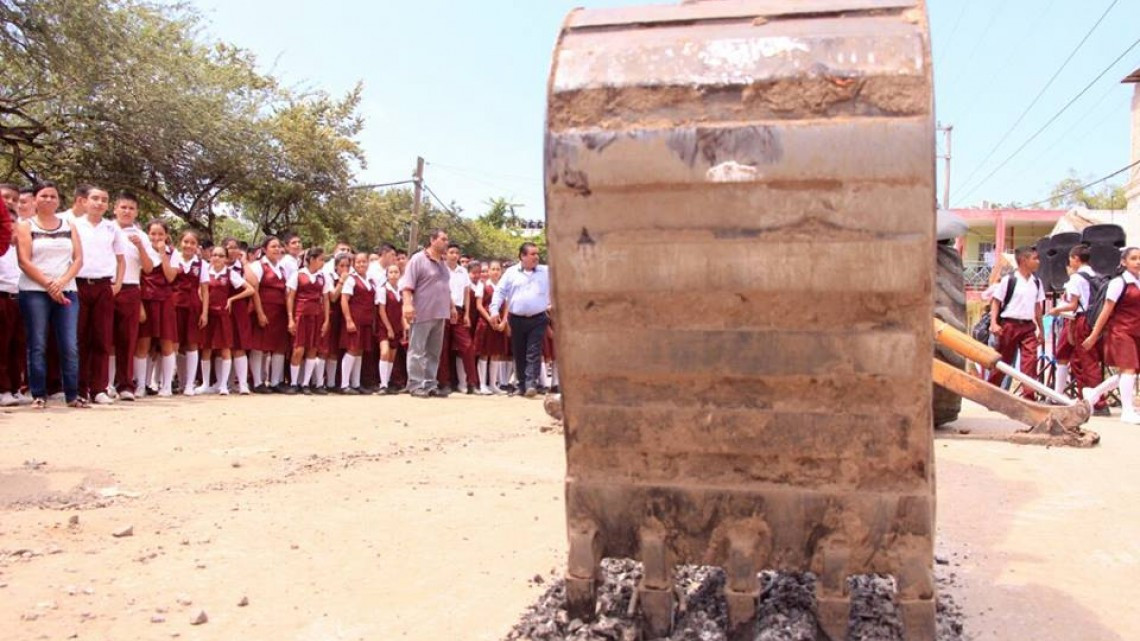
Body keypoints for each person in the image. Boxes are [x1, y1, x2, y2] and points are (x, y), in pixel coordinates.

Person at [15, 181, 84, 408]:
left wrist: (62, 283)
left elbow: (78, 259)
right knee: (37, 343)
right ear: (35, 199)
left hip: (67, 291)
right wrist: (48, 285)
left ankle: (72, 395)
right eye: (43, 196)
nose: (48, 200)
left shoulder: (69, 225)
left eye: (53, 196)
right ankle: (38, 394)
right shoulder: (26, 226)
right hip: (34, 291)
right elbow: (24, 261)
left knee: (69, 344)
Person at [71, 185, 125, 404]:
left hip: (104, 286)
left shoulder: (112, 229)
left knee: (102, 339)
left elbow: (121, 259)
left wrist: (118, 283)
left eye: (104, 199)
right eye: (95, 198)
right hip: (79, 284)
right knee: (79, 338)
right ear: (84, 201)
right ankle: (79, 388)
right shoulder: (73, 224)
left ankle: (99, 388)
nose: (99, 203)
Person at [1047, 244, 1108, 415]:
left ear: (1075, 258)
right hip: (1092, 319)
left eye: (1070, 259)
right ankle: (1087, 398)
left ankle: (1098, 402)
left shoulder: (1076, 278)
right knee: (1082, 360)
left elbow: (1073, 304)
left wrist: (1056, 310)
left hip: (1080, 319)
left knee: (1087, 361)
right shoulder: (1095, 276)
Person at [1082, 247, 1140, 424]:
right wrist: (1093, 336)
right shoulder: (1118, 283)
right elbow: (1106, 311)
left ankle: (1093, 393)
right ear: (1123, 262)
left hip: (1136, 331)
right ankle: (1127, 411)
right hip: (1121, 331)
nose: (1138, 262)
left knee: (1129, 372)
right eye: (1133, 258)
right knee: (1129, 369)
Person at [109, 191, 155, 402]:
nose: (127, 211)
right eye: (123, 207)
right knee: (103, 339)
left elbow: (148, 268)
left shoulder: (142, 236)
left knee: (127, 340)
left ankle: (125, 385)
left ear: (136, 212)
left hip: (130, 289)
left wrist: (139, 246)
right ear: (115, 209)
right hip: (106, 287)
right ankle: (103, 384)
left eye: (131, 208)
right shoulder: (105, 229)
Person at [490, 242, 551, 398]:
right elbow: (500, 292)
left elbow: (559, 285)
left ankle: (531, 384)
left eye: (537, 254)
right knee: (519, 352)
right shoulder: (511, 273)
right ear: (522, 256)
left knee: (533, 351)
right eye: (532, 254)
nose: (536, 257)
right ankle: (522, 385)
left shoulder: (546, 272)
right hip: (516, 319)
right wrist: (494, 310)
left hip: (538, 318)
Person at [399, 229, 456, 398]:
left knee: (433, 352)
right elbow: (407, 286)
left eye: (447, 239)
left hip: (440, 314)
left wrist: (451, 307)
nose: (446, 242)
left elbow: (446, 288)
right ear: (432, 240)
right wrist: (407, 305)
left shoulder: (443, 264)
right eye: (443, 239)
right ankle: (415, 384)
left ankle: (430, 384)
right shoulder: (418, 259)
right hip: (422, 312)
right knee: (417, 350)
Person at [986, 246, 1044, 400]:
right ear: (1024, 260)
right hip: (1009, 325)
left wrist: (1041, 330)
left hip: (1028, 327)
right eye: (1035, 258)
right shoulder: (1009, 280)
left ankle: (1029, 395)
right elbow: (996, 302)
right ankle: (991, 392)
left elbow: (1038, 308)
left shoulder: (1037, 282)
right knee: (1003, 361)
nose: (1038, 262)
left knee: (1030, 362)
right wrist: (994, 323)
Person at [198, 246, 252, 395]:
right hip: (208, 314)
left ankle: (223, 385)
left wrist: (232, 299)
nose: (217, 258)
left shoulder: (230, 273)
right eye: (214, 255)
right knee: (206, 348)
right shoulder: (205, 273)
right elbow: (200, 291)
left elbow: (250, 289)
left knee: (225, 348)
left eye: (221, 256)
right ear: (210, 256)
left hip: (223, 315)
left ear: (226, 259)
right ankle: (205, 384)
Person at [135, 221, 178, 397]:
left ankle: (166, 385)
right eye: (153, 233)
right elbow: (137, 278)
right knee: (142, 344)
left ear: (166, 235)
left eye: (160, 234)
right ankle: (140, 385)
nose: (157, 237)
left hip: (165, 300)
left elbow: (170, 277)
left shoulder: (174, 253)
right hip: (146, 299)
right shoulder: (142, 252)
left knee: (167, 343)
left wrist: (163, 254)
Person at [285, 248, 331, 394]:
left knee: (313, 348)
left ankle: (305, 383)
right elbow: (290, 297)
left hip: (316, 315)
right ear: (312, 259)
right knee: (298, 349)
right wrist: (290, 318)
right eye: (321, 259)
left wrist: (326, 320)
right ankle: (293, 382)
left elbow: (326, 299)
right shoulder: (298, 274)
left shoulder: (323, 276)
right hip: (301, 314)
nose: (323, 262)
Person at [247, 236, 290, 393]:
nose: (277, 249)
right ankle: (257, 382)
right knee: (259, 346)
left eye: (279, 246)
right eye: (273, 246)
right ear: (264, 249)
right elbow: (254, 290)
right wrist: (259, 312)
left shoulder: (282, 268)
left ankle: (276, 381)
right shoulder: (258, 266)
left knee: (279, 347)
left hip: (280, 312)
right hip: (264, 309)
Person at [438, 242, 478, 394]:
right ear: (445, 254)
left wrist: (467, 313)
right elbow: (444, 290)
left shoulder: (463, 271)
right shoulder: (441, 269)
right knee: (443, 348)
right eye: (451, 252)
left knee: (467, 346)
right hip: (443, 310)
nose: (454, 255)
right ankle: (444, 382)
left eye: (457, 253)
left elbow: (467, 292)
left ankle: (472, 383)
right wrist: (451, 306)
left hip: (460, 312)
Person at [171, 230, 205, 396]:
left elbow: (205, 290)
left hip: (193, 306)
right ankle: (170, 382)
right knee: (174, 344)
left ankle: (190, 384)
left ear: (197, 246)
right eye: (186, 242)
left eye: (192, 243)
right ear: (180, 242)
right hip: (175, 304)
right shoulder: (173, 259)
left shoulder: (201, 264)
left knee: (192, 344)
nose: (188, 246)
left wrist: (204, 312)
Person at [0, 190, 26, 406]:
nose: (10, 202)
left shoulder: (21, 236)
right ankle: (3, 389)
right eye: (5, 197)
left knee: (18, 345)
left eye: (14, 200)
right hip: (2, 295)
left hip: (20, 296)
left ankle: (16, 388)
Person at [339, 252, 376, 394]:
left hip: (366, 320)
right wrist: (348, 320)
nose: (361, 264)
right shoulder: (351, 279)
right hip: (354, 319)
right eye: (358, 262)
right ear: (354, 264)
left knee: (360, 351)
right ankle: (344, 384)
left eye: (364, 262)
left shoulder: (370, 281)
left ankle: (355, 383)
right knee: (352, 349)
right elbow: (344, 300)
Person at [475, 260, 511, 395]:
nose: (495, 272)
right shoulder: (483, 285)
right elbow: (479, 305)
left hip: (500, 322)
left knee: (496, 353)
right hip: (486, 323)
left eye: (498, 269)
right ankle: (483, 384)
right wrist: (489, 318)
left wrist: (504, 321)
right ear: (488, 271)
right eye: (493, 269)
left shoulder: (504, 287)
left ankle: (493, 384)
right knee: (485, 353)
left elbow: (507, 305)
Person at [223, 237, 254, 393]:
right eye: (230, 247)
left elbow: (253, 284)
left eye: (236, 248)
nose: (234, 251)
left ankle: (242, 383)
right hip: (221, 309)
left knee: (239, 345)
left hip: (239, 309)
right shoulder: (215, 265)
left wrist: (245, 263)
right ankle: (224, 383)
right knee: (223, 346)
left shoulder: (240, 267)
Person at [320, 252, 352, 391]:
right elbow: (332, 297)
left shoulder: (352, 278)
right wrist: (341, 281)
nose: (344, 269)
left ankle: (332, 383)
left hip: (341, 317)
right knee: (324, 349)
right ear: (335, 266)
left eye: (347, 266)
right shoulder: (330, 277)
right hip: (330, 315)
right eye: (341, 265)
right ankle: (318, 382)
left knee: (334, 351)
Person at [377, 263, 406, 394]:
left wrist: (404, 326)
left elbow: (401, 311)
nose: (394, 275)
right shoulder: (383, 290)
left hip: (397, 326)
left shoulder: (400, 291)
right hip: (384, 325)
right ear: (387, 275)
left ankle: (387, 382)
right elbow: (381, 310)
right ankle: (382, 384)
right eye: (391, 272)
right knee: (384, 352)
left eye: (396, 272)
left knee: (392, 357)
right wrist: (388, 327)